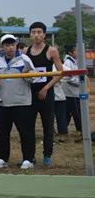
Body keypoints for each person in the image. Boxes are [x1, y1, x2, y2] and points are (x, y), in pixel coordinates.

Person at [0, 34, 36, 170]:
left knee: (25, 132)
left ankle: (28, 159)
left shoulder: (25, 59)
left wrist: (28, 74)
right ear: (2, 47)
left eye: (12, 45)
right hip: (3, 103)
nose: (10, 48)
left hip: (22, 103)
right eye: (7, 45)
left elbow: (34, 78)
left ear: (16, 45)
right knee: (3, 133)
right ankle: (3, 158)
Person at [25, 22, 63, 167]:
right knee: (29, 127)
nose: (36, 35)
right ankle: (30, 157)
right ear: (30, 34)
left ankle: (47, 155)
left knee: (47, 127)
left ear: (44, 35)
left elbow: (60, 73)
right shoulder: (25, 51)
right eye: (33, 32)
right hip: (30, 95)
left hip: (46, 94)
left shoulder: (51, 51)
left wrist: (46, 88)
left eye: (39, 32)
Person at [62, 45, 81, 141]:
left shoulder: (73, 61)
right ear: (70, 52)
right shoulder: (68, 62)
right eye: (75, 51)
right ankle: (80, 129)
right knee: (76, 112)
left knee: (69, 112)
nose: (77, 53)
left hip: (73, 92)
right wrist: (78, 82)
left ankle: (64, 130)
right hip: (70, 92)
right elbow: (67, 77)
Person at [52, 63, 68, 143]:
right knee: (49, 117)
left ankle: (62, 134)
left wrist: (60, 79)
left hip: (59, 96)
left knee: (61, 117)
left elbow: (69, 74)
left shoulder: (59, 65)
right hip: (48, 96)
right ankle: (52, 133)